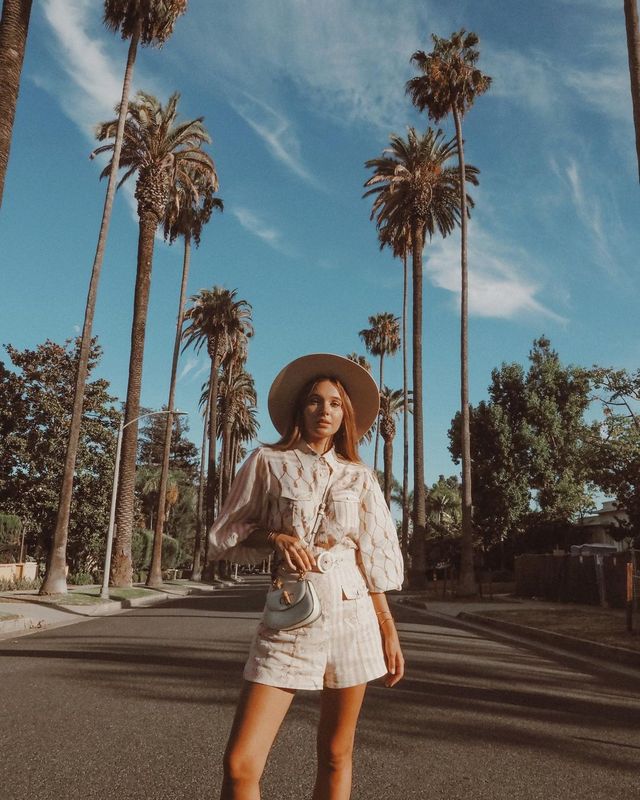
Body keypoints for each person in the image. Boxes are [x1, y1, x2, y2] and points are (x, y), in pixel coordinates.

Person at [208, 353, 405, 800]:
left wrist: (387, 629)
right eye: (316, 401)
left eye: (336, 403)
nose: (325, 411)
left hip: (354, 616)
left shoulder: (360, 476)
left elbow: (369, 557)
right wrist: (275, 535)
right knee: (240, 763)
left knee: (337, 753)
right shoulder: (268, 461)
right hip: (292, 611)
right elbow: (225, 534)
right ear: (300, 408)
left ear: (346, 415)